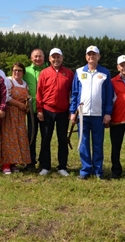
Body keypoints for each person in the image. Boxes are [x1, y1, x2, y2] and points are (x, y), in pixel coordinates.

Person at [70, 46, 113, 179]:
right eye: (89, 54)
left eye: (94, 54)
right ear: (86, 57)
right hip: (82, 115)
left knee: (98, 144)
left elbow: (108, 95)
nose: (91, 57)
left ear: (99, 57)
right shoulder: (78, 72)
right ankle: (85, 170)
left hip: (98, 114)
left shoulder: (105, 73)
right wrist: (73, 111)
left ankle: (98, 171)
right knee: (83, 143)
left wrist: (107, 113)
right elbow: (75, 93)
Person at [36, 48, 74, 177]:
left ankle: (62, 166)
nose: (56, 59)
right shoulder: (44, 73)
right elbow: (39, 93)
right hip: (47, 111)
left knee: (62, 140)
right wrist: (40, 109)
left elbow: (72, 93)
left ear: (62, 58)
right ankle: (45, 166)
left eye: (58, 57)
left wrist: (71, 110)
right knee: (45, 139)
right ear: (49, 59)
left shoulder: (69, 73)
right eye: (53, 57)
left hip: (63, 112)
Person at [0, 62, 31, 174]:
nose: (16, 72)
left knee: (18, 138)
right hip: (10, 113)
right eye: (14, 70)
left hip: (20, 116)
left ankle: (14, 163)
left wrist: (27, 105)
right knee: (8, 138)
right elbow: (6, 97)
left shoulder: (25, 84)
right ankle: (6, 164)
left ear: (23, 72)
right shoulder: (9, 81)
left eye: (19, 70)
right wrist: (19, 104)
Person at [24, 48, 47, 170]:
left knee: (45, 137)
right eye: (35, 56)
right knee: (31, 136)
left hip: (45, 110)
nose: (38, 59)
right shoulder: (26, 71)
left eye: (40, 56)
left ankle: (43, 163)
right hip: (31, 110)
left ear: (44, 58)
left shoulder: (48, 70)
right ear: (31, 58)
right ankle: (30, 162)